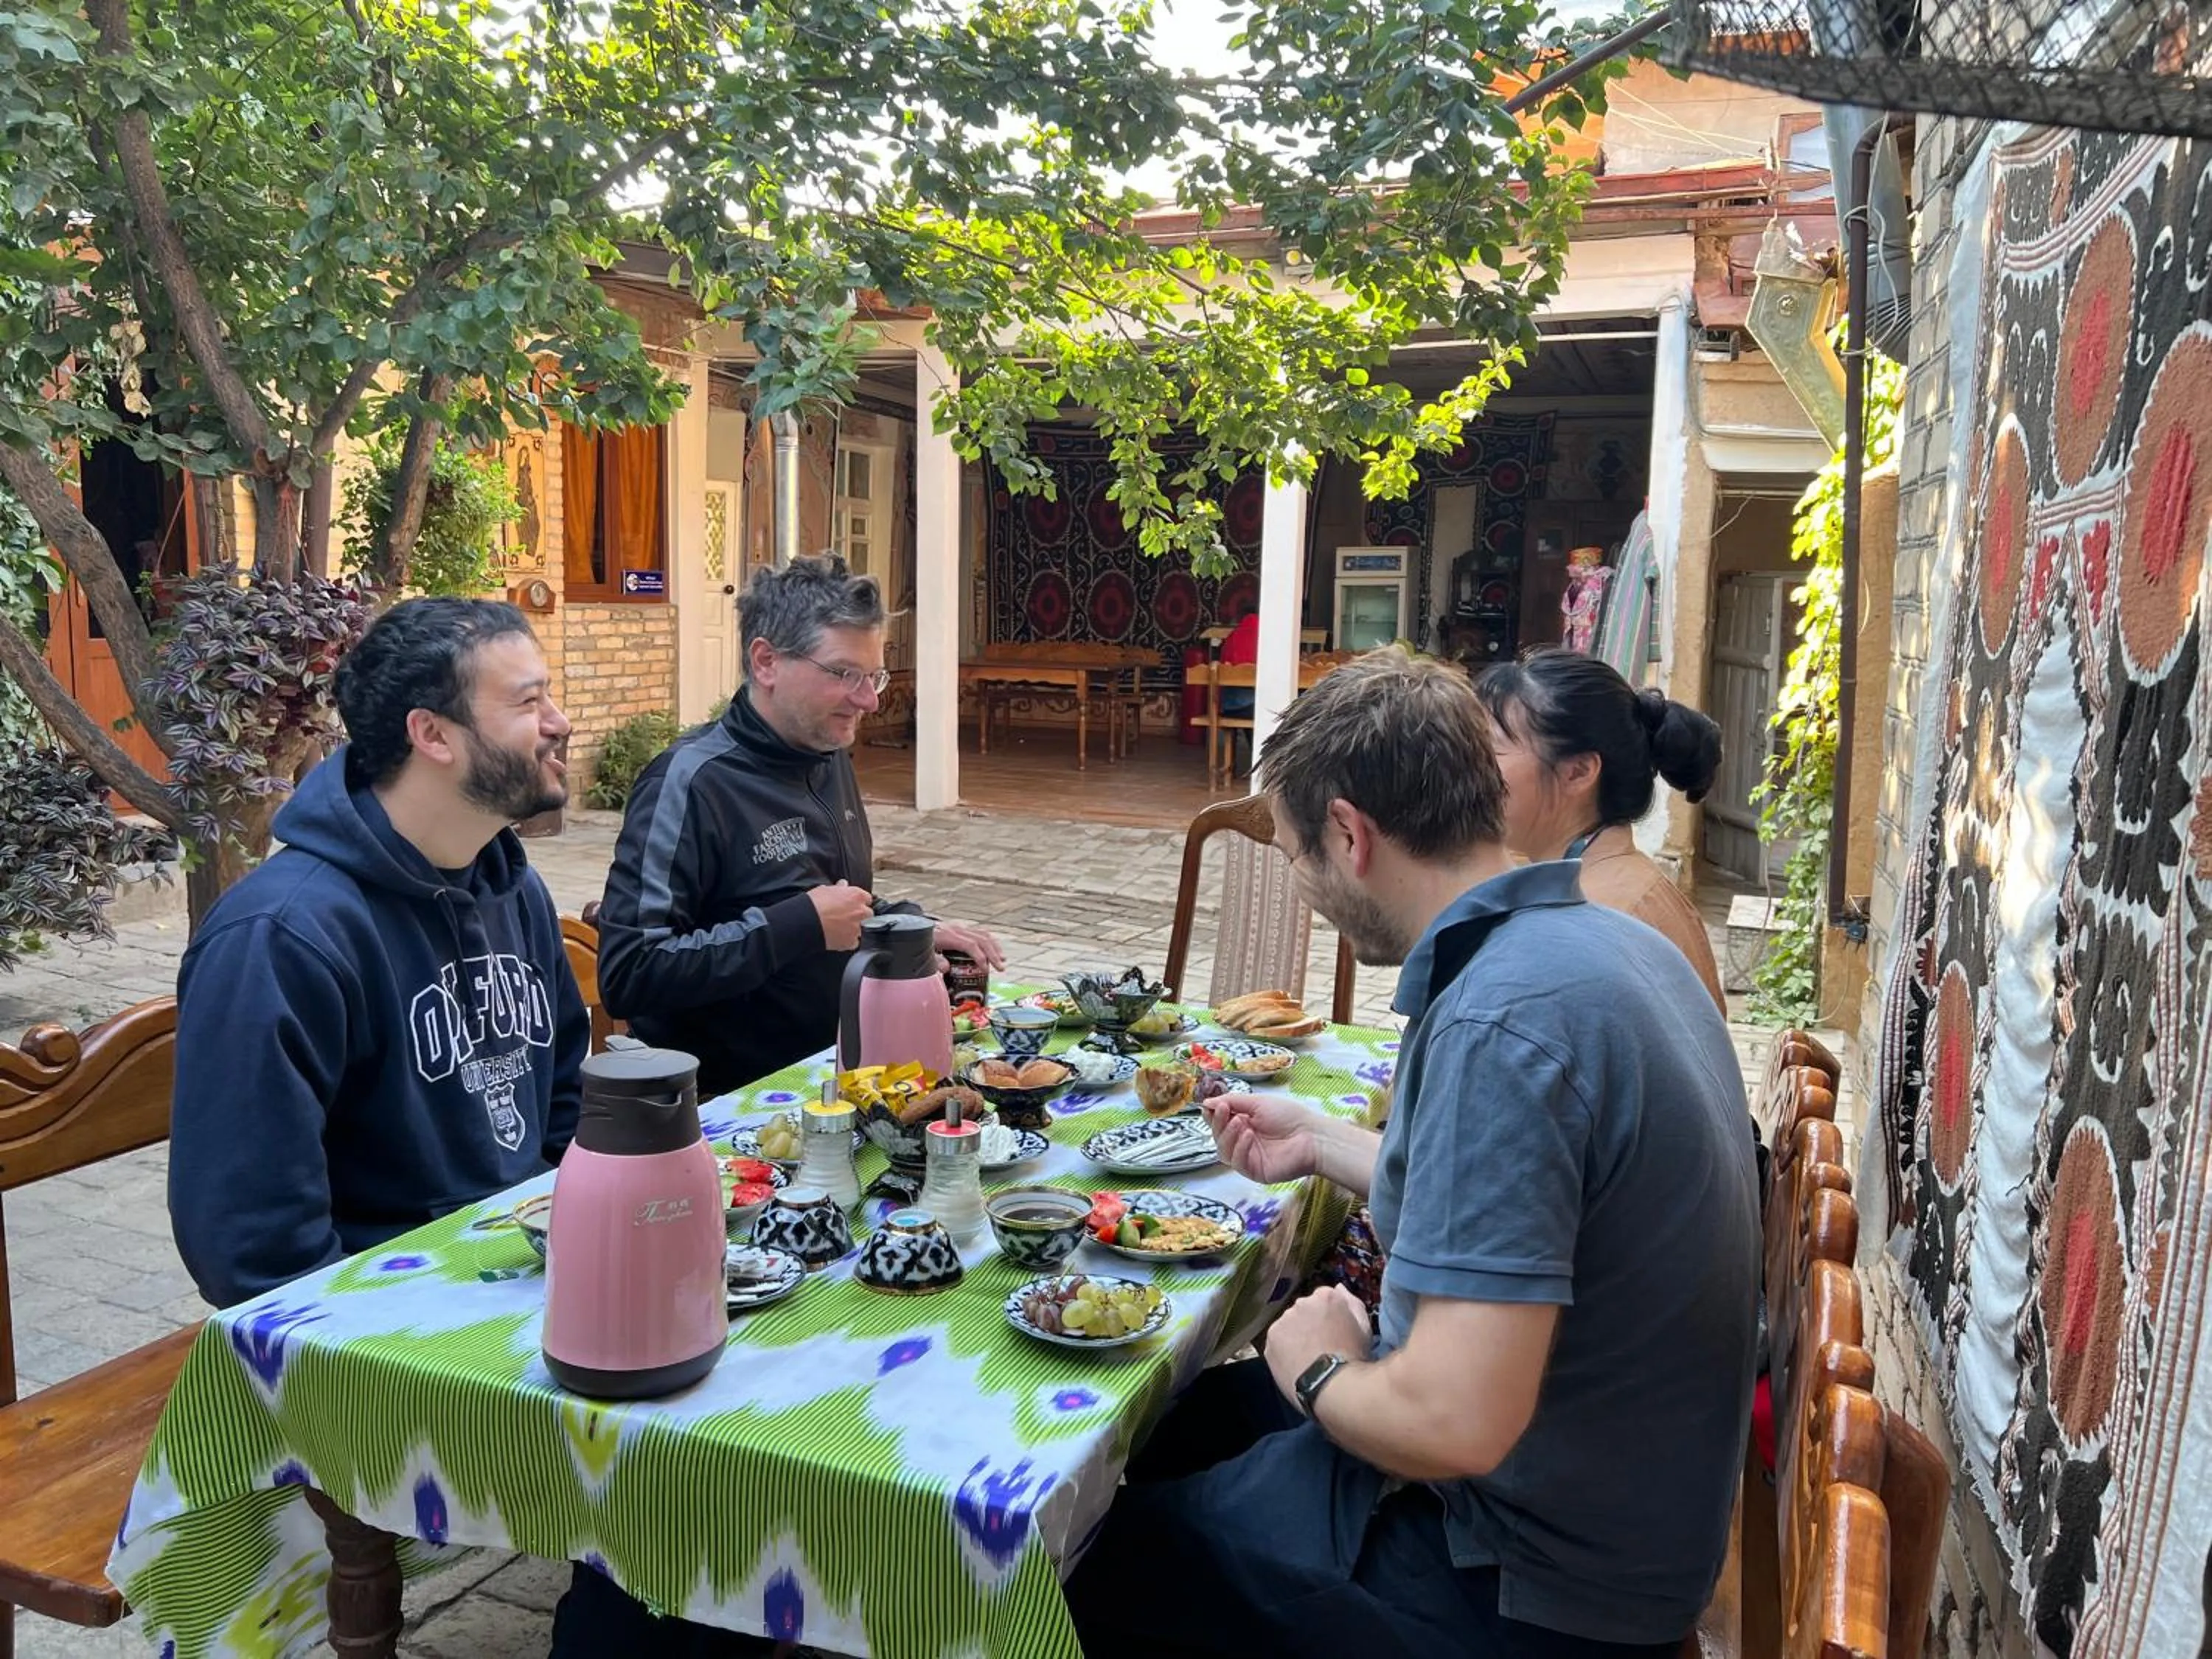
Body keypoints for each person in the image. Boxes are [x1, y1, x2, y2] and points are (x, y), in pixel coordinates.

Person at [1064, 649, 1759, 1659]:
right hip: (1616, 1508)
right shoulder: (1599, 938)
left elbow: (1452, 1420)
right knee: (1178, 1419)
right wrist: (1322, 1140)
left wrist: (1315, 1369)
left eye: (1297, 855)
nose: (1302, 888)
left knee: (1099, 1559)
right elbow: (1527, 1197)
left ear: (1351, 834)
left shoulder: (1501, 1022)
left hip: (1537, 1586)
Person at [169, 598, 588, 1310]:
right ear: (432, 735)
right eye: (528, 701)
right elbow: (254, 1246)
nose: (558, 722)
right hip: (379, 1330)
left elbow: (564, 1107)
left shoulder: (511, 887)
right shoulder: (280, 937)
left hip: (529, 1278)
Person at [595, 551, 1004, 1096]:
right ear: (766, 662)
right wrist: (795, 927)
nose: (869, 700)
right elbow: (630, 974)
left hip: (841, 1079)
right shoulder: (690, 782)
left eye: (874, 675)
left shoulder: (827, 753)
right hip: (729, 1107)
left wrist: (906, 926)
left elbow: (828, 898)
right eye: (844, 674)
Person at [1476, 647, 1727, 1010]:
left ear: (1578, 772)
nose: (1472, 768)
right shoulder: (1624, 886)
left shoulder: (1587, 926)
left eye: (1491, 751)